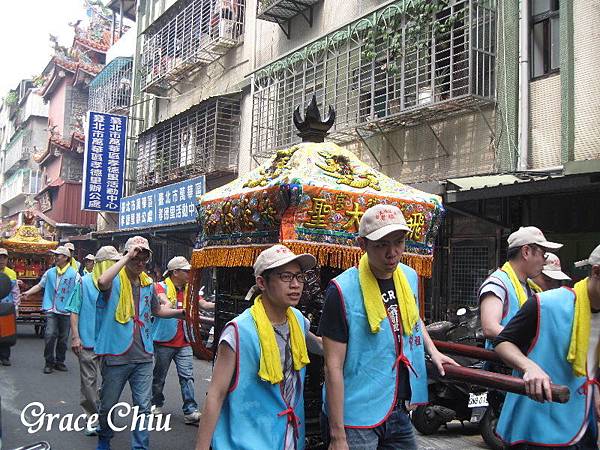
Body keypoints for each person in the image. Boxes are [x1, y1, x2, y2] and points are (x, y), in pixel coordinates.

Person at [318, 204, 458, 450]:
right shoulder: (341, 290)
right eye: (382, 244)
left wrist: (433, 351)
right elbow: (333, 367)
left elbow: (413, 319)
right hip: (356, 415)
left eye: (399, 242)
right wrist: (337, 436)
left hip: (398, 407)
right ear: (362, 245)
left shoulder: (408, 277)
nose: (392, 252)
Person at [195, 244, 323, 450]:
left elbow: (318, 344)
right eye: (286, 277)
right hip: (247, 441)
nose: (296, 285)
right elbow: (216, 394)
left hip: (288, 438)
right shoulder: (239, 332)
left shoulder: (297, 320)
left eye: (299, 277)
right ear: (262, 282)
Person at [494, 244, 600, 449]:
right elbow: (503, 342)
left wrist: (595, 386)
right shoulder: (546, 304)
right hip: (540, 423)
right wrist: (529, 366)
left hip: (582, 423)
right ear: (596, 272)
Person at [94, 236, 187, 450]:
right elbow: (102, 282)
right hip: (116, 354)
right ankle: (104, 438)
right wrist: (127, 256)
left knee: (143, 407)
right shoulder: (115, 280)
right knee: (108, 405)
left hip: (143, 355)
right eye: (136, 257)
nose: (140, 263)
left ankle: (140, 447)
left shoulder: (148, 285)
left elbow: (157, 311)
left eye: (144, 258)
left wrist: (182, 313)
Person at [67, 246, 121, 436]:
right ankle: (92, 416)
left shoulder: (119, 284)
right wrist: (75, 337)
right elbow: (74, 310)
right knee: (88, 382)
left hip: (110, 344)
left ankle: (104, 415)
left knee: (110, 381)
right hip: (88, 341)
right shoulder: (83, 282)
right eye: (112, 262)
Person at [479, 226, 562, 348]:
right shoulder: (498, 284)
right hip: (502, 365)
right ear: (526, 252)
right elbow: (490, 328)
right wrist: (533, 343)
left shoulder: (531, 288)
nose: (544, 262)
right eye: (543, 254)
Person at [151, 256, 201, 424]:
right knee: (159, 377)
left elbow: (204, 304)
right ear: (175, 272)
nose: (189, 273)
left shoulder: (190, 290)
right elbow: (162, 301)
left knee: (187, 376)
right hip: (164, 341)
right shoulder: (160, 286)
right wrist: (168, 305)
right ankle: (156, 402)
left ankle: (190, 410)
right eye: (186, 271)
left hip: (185, 341)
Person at [22, 246, 81, 374]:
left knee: (63, 338)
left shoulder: (75, 275)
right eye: (55, 255)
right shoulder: (49, 273)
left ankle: (60, 361)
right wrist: (28, 293)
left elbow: (79, 292)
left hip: (66, 310)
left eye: (58, 255)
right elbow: (39, 285)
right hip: (51, 309)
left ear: (66, 258)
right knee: (49, 334)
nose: (55, 257)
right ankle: (49, 362)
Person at [0, 248, 19, 366]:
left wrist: (16, 307)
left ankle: (5, 357)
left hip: (7, 308)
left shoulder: (11, 273)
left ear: (7, 259)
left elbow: (15, 292)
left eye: (4, 258)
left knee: (6, 333)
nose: (1, 260)